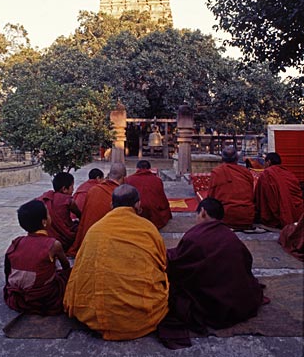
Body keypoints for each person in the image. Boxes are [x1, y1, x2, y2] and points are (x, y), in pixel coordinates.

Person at [64, 184, 169, 340]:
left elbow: (80, 267)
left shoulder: (95, 229)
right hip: (139, 316)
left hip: (93, 315)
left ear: (111, 205)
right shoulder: (148, 228)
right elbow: (163, 263)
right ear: (138, 204)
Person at [159, 197, 266, 349]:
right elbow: (246, 262)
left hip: (213, 305)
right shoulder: (232, 237)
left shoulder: (196, 236)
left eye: (197, 215)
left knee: (170, 289)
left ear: (202, 212)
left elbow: (179, 266)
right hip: (241, 302)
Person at [4, 200, 71, 315]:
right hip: (43, 297)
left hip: (18, 296)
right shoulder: (54, 244)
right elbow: (66, 266)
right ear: (44, 222)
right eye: (48, 214)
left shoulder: (17, 242)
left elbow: (8, 268)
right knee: (67, 276)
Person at [67, 163, 126, 257]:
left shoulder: (93, 190)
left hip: (87, 238)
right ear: (123, 178)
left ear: (109, 175)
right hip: (106, 241)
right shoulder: (121, 194)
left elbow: (84, 219)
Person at [208, 146, 255, 230]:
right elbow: (251, 193)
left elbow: (211, 197)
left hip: (226, 216)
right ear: (237, 158)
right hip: (247, 216)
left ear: (222, 158)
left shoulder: (217, 172)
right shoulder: (246, 172)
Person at [255, 152, 303, 228]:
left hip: (277, 216)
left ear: (269, 162)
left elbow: (259, 196)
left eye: (265, 162)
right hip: (296, 214)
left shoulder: (267, 174)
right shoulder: (289, 173)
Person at [37, 172, 81, 252]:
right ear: (64, 189)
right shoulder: (68, 200)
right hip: (66, 238)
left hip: (47, 238)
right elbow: (80, 215)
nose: (73, 190)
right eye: (72, 187)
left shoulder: (43, 198)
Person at [125, 160, 172, 229]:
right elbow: (162, 201)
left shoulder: (129, 179)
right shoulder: (157, 180)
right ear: (150, 169)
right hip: (153, 215)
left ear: (137, 169)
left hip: (135, 213)